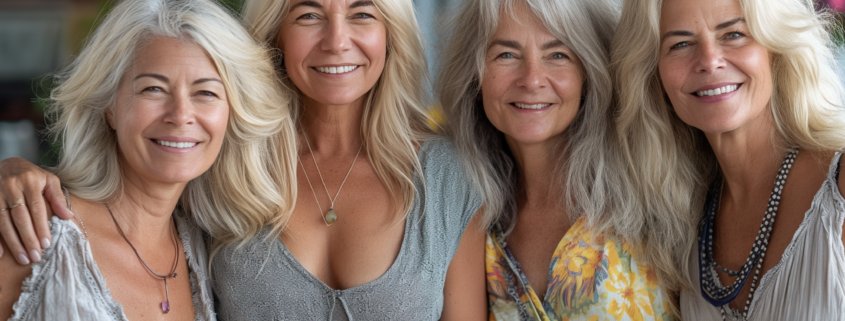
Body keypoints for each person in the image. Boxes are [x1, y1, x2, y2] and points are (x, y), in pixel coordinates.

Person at [0, 0, 487, 319]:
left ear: (391, 32)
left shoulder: (447, 175)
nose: (337, 40)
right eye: (308, 14)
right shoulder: (229, 166)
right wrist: (12, 171)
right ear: (275, 32)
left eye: (363, 13)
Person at [0, 0, 298, 319]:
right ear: (109, 106)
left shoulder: (211, 250)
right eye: (153, 89)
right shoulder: (29, 229)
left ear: (232, 114)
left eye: (206, 93)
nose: (181, 115)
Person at [438, 0, 685, 319]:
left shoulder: (652, 182)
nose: (532, 79)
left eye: (558, 55)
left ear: (590, 70)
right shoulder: (465, 207)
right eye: (506, 55)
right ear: (474, 74)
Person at [613, 0, 845, 319]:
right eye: (680, 44)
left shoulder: (840, 187)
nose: (709, 60)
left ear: (774, 49)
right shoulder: (677, 221)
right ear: (654, 73)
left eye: (733, 34)